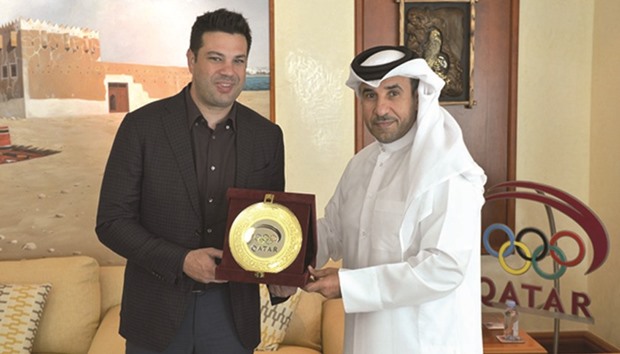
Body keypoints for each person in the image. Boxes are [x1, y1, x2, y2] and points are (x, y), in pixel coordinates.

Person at [96, 8, 294, 354]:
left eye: (239, 61)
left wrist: (280, 273)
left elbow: (270, 221)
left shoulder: (267, 137)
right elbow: (112, 222)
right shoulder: (141, 127)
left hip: (232, 316)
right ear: (191, 59)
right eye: (216, 58)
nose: (228, 72)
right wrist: (181, 260)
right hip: (156, 313)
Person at [304, 45, 487, 354]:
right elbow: (333, 232)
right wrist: (283, 255)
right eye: (369, 95)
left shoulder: (448, 169)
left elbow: (444, 268)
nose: (380, 109)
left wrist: (347, 285)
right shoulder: (360, 164)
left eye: (393, 93)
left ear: (418, 96)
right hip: (363, 342)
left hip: (424, 344)